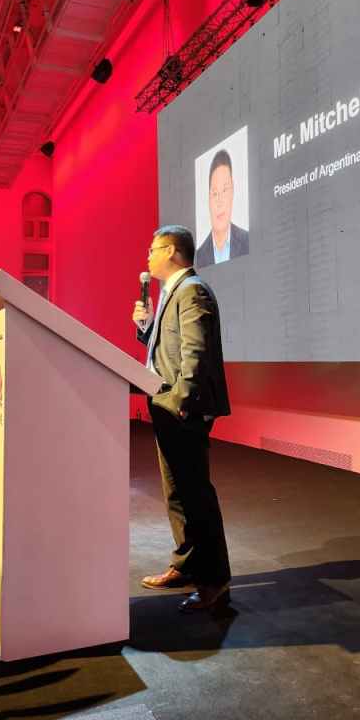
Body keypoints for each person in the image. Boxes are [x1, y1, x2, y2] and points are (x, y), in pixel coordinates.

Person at [132, 224, 232, 612]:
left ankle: (215, 582)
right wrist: (145, 328)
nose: (148, 256)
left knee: (195, 496)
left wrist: (180, 401)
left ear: (171, 251)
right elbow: (166, 348)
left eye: (152, 249)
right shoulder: (172, 292)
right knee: (177, 492)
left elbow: (195, 353)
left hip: (181, 408)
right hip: (167, 404)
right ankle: (187, 565)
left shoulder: (192, 290)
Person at [196, 149, 249, 267]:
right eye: (215, 193)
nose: (219, 201)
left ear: (233, 192)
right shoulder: (198, 257)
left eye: (225, 190)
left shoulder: (248, 241)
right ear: (208, 199)